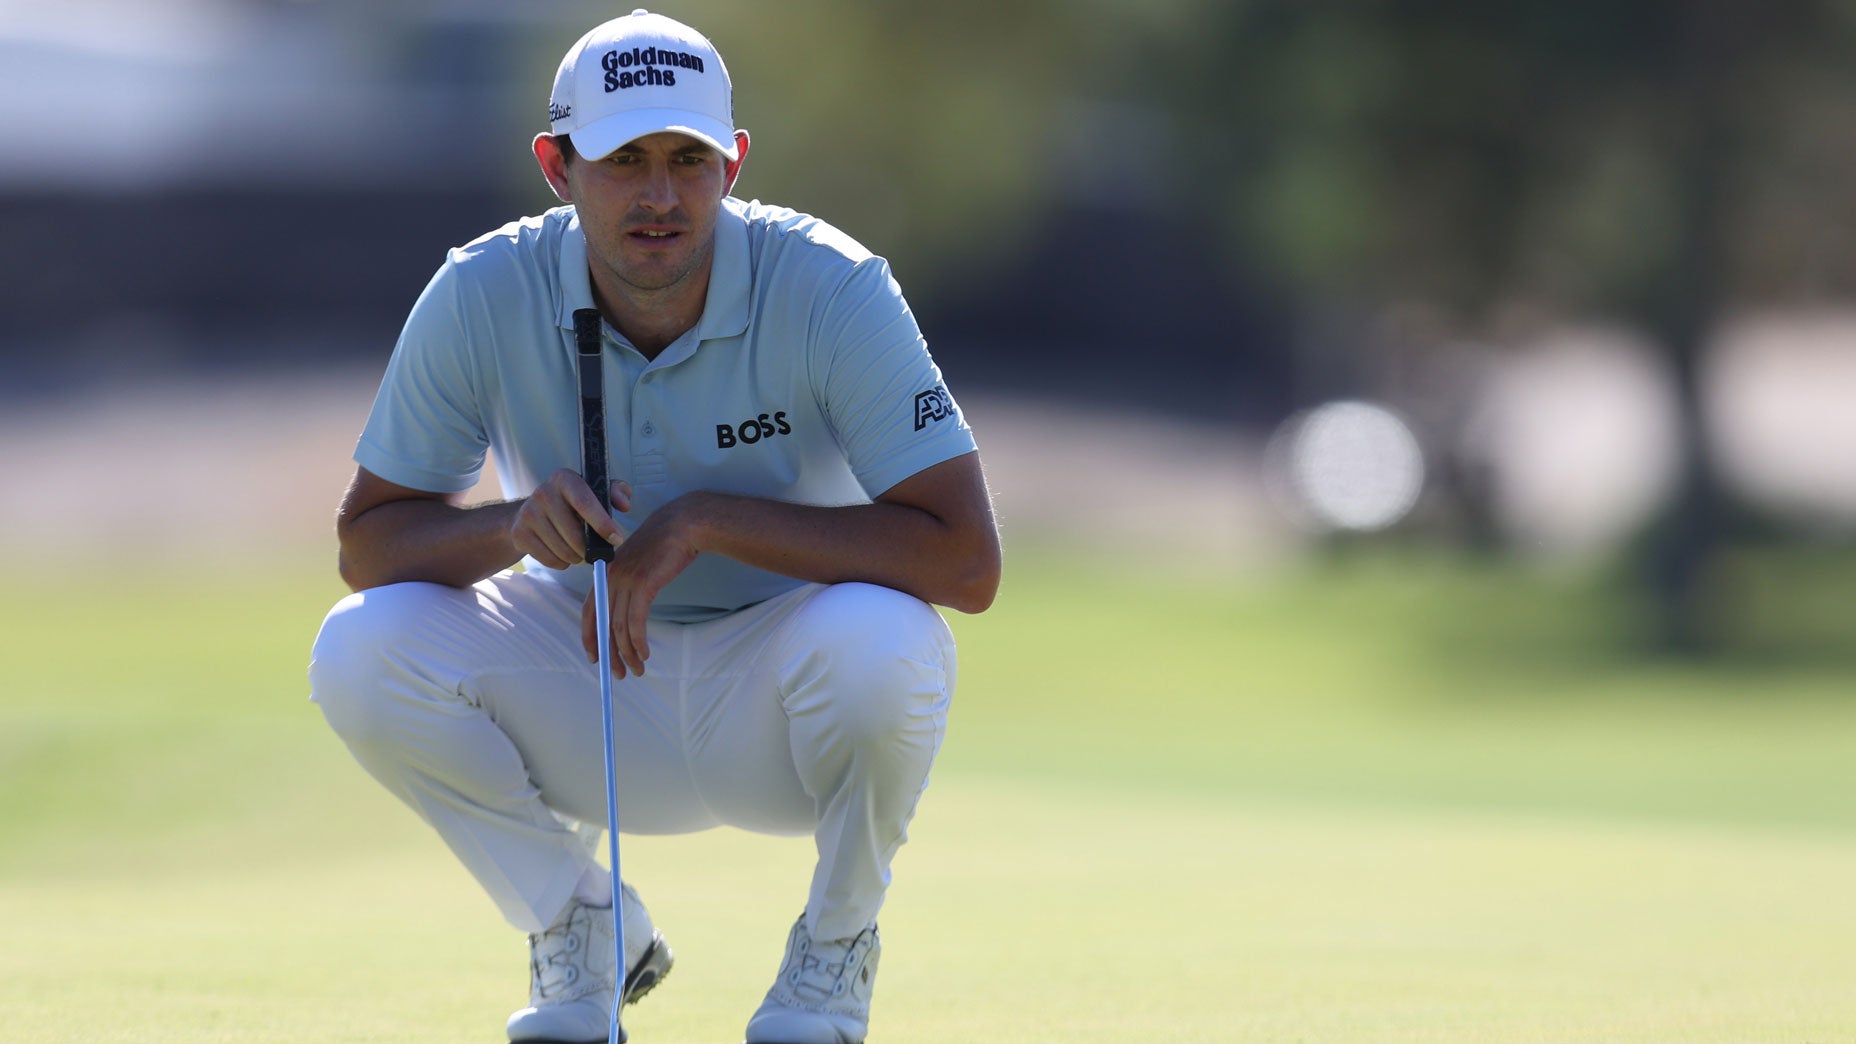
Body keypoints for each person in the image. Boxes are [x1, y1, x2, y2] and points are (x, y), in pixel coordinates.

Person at [306, 9, 1001, 1043]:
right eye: (623, 160)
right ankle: (580, 925)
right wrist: (512, 524)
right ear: (556, 167)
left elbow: (964, 560)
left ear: (733, 163)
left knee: (892, 642)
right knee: (360, 648)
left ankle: (831, 956)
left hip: (778, 698)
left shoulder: (830, 285)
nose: (661, 195)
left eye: (688, 158)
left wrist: (710, 521)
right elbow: (368, 546)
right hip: (580, 678)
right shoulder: (480, 290)